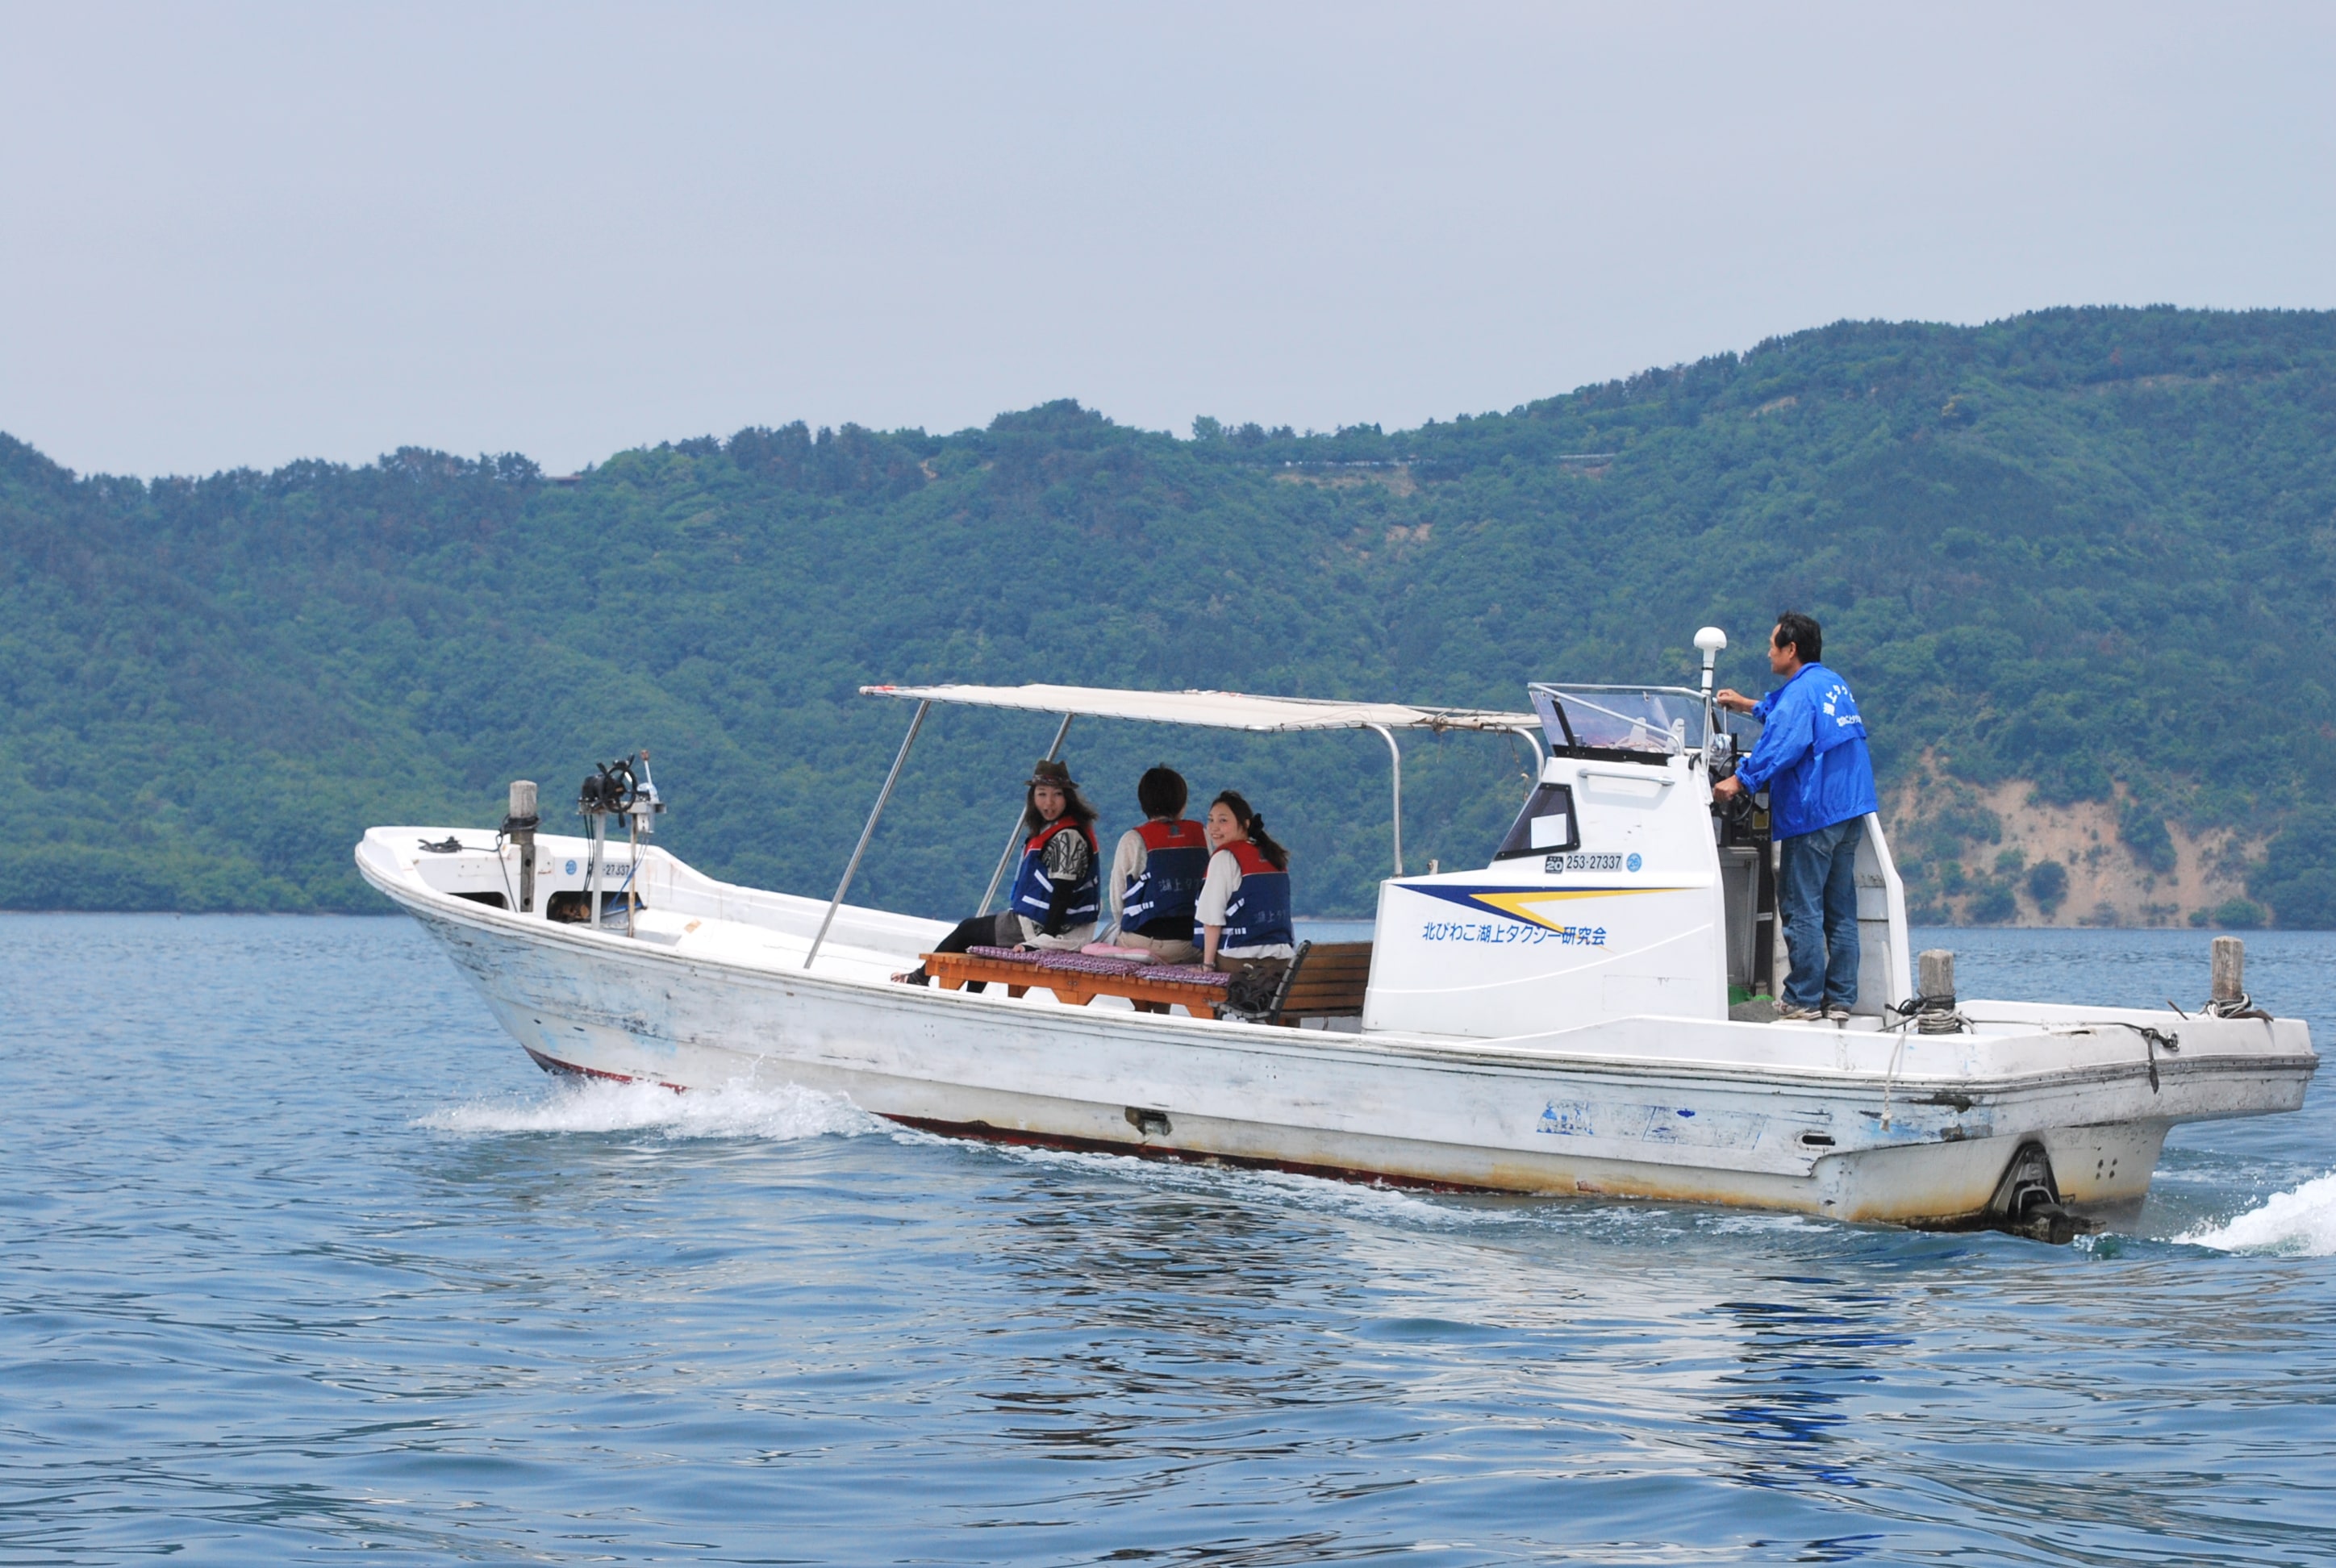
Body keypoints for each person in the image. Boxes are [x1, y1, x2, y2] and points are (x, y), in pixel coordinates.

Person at [1712, 611, 1880, 1023]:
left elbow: (1785, 743)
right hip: (1849, 810)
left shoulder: (1800, 693)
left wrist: (1739, 780)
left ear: (1791, 649)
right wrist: (1747, 705)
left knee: (1801, 906)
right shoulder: (1832, 684)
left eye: (1773, 645)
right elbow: (1789, 713)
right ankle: (1840, 999)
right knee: (1839, 909)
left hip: (1814, 813)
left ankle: (1803, 998)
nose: (1768, 652)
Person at [896, 758, 1100, 987]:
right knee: (980, 940)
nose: (1049, 803)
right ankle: (969, 999)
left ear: (1068, 798)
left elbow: (1062, 896)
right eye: (1042, 794)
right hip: (1041, 922)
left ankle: (919, 978)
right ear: (1033, 797)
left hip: (1054, 930)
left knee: (968, 929)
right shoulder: (1056, 830)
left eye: (1057, 795)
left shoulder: (1067, 837)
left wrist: (1043, 942)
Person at [1108, 765, 1208, 965]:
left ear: (1144, 803)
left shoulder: (1133, 839)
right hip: (1191, 946)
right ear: (1183, 803)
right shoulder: (1204, 835)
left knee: (1108, 933)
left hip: (1142, 944)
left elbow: (1117, 900)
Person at [1195, 790, 1295, 974]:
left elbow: (1212, 919)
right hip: (1281, 962)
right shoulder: (1275, 858)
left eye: (1223, 821)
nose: (1214, 827)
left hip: (1239, 962)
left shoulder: (1225, 857)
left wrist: (1207, 965)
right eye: (1210, 820)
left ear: (1245, 824)